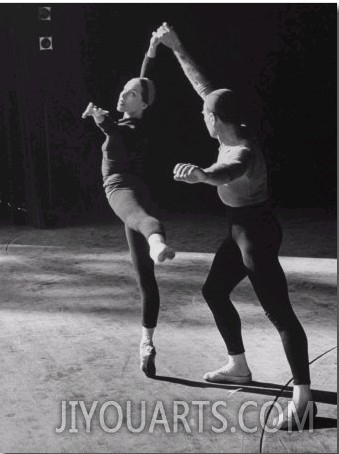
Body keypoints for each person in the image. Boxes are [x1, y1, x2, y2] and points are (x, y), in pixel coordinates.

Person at [156, 22, 316, 429]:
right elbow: (203, 86)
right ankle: (239, 367)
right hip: (241, 229)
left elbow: (227, 172)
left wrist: (200, 175)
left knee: (280, 314)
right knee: (213, 291)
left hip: (255, 234)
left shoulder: (241, 151)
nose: (201, 115)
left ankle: (303, 399)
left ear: (215, 120)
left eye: (204, 114)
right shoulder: (231, 126)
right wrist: (176, 47)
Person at [82, 31, 175, 378]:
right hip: (138, 194)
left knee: (140, 220)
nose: (124, 94)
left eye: (131, 94)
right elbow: (143, 79)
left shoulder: (134, 125)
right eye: (123, 89)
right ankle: (146, 343)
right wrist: (150, 51)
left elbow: (115, 133)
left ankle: (156, 241)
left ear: (143, 104)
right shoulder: (132, 115)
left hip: (121, 187)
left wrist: (100, 119)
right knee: (145, 279)